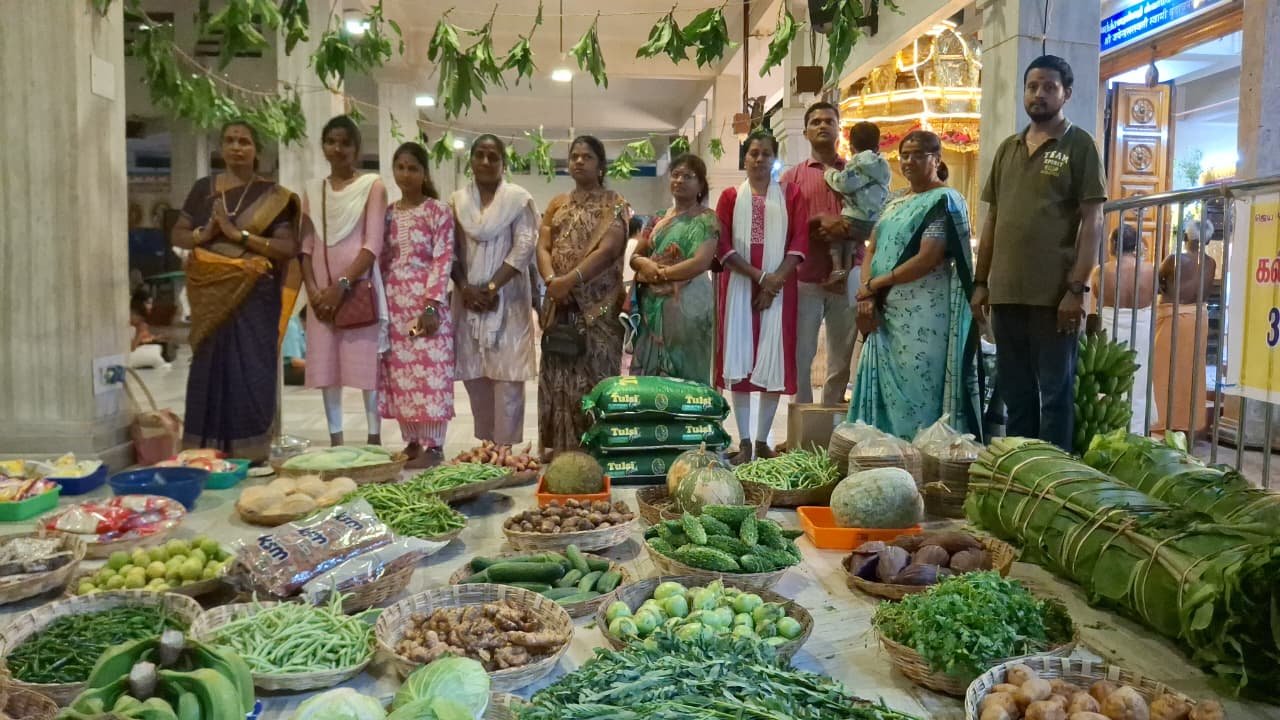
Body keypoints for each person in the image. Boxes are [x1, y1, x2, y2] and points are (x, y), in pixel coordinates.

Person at [971, 55, 1106, 451]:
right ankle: (1022, 474)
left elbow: (1093, 220)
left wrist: (1076, 288)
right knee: (1017, 394)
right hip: (1007, 293)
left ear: (1066, 93)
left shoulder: (1079, 145)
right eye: (1032, 86)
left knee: (1055, 395)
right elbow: (993, 219)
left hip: (1054, 297)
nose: (1039, 94)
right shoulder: (1008, 149)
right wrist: (982, 282)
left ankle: (1055, 480)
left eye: (1049, 87)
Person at [170, 120, 301, 463]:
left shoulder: (273, 196)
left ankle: (251, 451)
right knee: (208, 369)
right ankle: (205, 450)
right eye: (229, 140)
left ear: (257, 149)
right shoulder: (204, 189)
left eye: (244, 141)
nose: (236, 147)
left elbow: (286, 247)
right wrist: (206, 233)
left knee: (251, 370)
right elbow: (179, 234)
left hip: (254, 297)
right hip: (210, 295)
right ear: (220, 147)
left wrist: (238, 235)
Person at [849, 131, 982, 439]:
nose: (908, 161)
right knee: (885, 387)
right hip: (885, 308)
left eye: (918, 155)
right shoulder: (895, 200)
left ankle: (917, 456)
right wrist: (868, 290)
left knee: (917, 385)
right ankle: (879, 455)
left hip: (923, 312)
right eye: (904, 155)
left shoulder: (944, 200)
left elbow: (928, 257)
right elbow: (872, 246)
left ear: (936, 159)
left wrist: (878, 283)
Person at [715, 130, 810, 465]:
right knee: (740, 363)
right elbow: (723, 245)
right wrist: (759, 279)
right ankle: (743, 442)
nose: (759, 158)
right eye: (753, 153)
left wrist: (773, 284)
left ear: (774, 159)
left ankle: (762, 441)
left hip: (780, 292)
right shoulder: (729, 197)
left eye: (766, 153)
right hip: (740, 288)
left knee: (773, 360)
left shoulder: (792, 194)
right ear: (744, 158)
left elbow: (799, 242)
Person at [535, 136, 629, 456]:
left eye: (587, 157)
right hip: (559, 306)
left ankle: (597, 446)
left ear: (600, 165)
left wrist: (570, 280)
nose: (578, 161)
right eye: (574, 156)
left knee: (595, 378)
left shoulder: (614, 203)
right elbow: (543, 245)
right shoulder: (557, 204)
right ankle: (561, 447)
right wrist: (551, 281)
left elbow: (609, 249)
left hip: (597, 310)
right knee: (558, 375)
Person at [300, 115, 389, 447]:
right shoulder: (313, 190)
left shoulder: (372, 186)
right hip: (320, 293)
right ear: (323, 146)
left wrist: (341, 286)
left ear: (356, 149)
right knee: (326, 370)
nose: (337, 149)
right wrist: (313, 291)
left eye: (345, 143)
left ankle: (374, 440)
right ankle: (336, 441)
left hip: (357, 287)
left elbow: (372, 245)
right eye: (331, 142)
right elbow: (306, 247)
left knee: (367, 369)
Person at [452, 134, 540, 453]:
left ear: (504, 164)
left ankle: (505, 448)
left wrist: (491, 287)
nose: (486, 162)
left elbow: (525, 246)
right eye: (480, 155)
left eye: (493, 157)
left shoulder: (517, 200)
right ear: (471, 160)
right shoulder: (457, 202)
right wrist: (465, 289)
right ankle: (486, 443)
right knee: (475, 376)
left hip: (509, 298)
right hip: (467, 301)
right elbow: (450, 251)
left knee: (507, 377)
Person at [379, 142, 455, 469]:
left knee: (432, 371)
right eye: (401, 167)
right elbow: (383, 259)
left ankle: (434, 445)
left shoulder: (438, 210)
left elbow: (443, 257)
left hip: (427, 307)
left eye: (413, 168)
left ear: (424, 173)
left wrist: (431, 304)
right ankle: (411, 441)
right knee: (402, 374)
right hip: (396, 306)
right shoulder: (388, 213)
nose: (406, 174)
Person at [781, 102, 861, 406]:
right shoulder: (792, 178)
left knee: (841, 359)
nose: (822, 125)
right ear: (805, 132)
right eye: (815, 122)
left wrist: (844, 228)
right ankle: (802, 422)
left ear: (839, 129)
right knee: (801, 355)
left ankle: (830, 419)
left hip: (848, 275)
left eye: (829, 121)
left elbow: (873, 217)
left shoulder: (857, 172)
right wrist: (816, 225)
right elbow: (785, 228)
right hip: (806, 278)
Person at [629, 153, 719, 384]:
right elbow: (636, 255)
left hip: (689, 307)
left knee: (688, 374)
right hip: (653, 306)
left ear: (700, 185)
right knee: (650, 379)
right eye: (675, 175)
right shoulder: (658, 218)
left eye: (688, 176)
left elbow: (701, 261)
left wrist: (661, 274)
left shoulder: (707, 219)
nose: (679, 180)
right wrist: (645, 264)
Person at [1152, 217, 1216, 434]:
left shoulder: (1174, 259)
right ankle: (1188, 423)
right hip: (1198, 319)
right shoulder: (1211, 262)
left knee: (1162, 372)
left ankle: (1161, 423)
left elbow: (1156, 283)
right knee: (1191, 372)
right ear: (1207, 241)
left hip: (1173, 319)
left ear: (1185, 236)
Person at [1091, 224, 1156, 432]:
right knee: (1140, 373)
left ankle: (1110, 425)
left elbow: (1096, 293)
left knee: (1110, 375)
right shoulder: (1150, 269)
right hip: (1142, 326)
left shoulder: (1101, 270)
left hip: (1111, 325)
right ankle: (1137, 429)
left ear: (1112, 244)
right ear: (1135, 245)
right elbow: (1156, 292)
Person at [825, 121, 891, 305]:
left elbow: (844, 183)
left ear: (852, 147)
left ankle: (838, 270)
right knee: (852, 245)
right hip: (875, 220)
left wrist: (829, 173)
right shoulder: (883, 165)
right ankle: (845, 278)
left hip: (854, 216)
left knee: (836, 236)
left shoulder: (858, 163)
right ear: (877, 146)